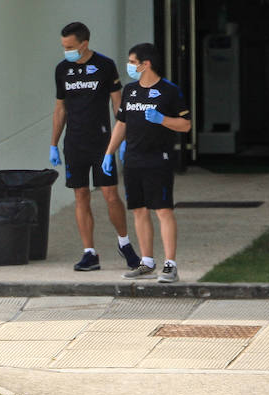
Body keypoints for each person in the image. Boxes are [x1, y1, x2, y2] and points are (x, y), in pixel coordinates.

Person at [51, 21, 139, 272]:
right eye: (63, 46)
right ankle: (89, 252)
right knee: (81, 195)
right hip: (74, 143)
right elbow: (60, 109)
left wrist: (122, 139)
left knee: (111, 194)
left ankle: (124, 243)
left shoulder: (104, 65)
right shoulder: (62, 70)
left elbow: (117, 103)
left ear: (84, 44)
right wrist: (53, 144)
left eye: (70, 46)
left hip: (101, 142)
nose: (66, 51)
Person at [103, 43, 192, 283]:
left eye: (132, 62)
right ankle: (146, 262)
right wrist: (109, 152)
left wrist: (162, 119)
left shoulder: (169, 91)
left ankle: (170, 264)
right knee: (139, 210)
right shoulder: (130, 91)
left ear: (146, 64)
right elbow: (121, 123)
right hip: (133, 159)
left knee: (163, 210)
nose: (130, 66)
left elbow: (186, 125)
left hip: (158, 159)